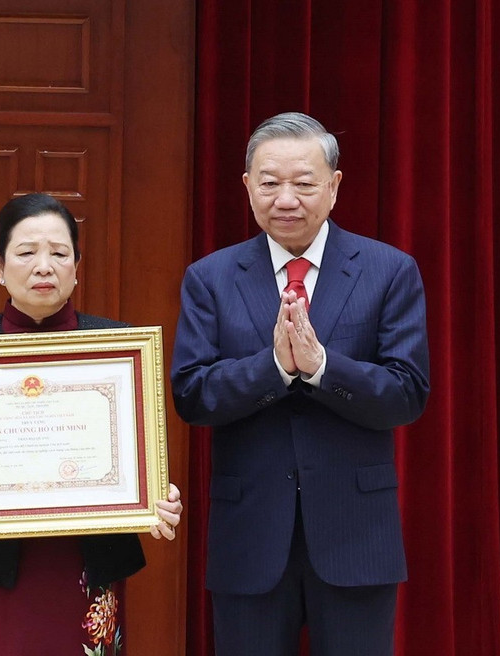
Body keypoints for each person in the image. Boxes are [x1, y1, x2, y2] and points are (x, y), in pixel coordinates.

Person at [171, 112, 429, 656]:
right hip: (250, 535)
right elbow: (192, 395)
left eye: (304, 184)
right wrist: (276, 368)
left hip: (356, 534)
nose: (285, 199)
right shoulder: (210, 278)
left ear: (334, 186)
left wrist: (321, 368)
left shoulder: (388, 271)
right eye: (269, 183)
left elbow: (406, 393)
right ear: (247, 186)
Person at [0, 193, 183, 655]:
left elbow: (135, 454)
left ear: (77, 265)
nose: (44, 267)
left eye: (59, 253)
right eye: (26, 252)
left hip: (84, 561)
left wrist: (154, 495)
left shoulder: (116, 346)